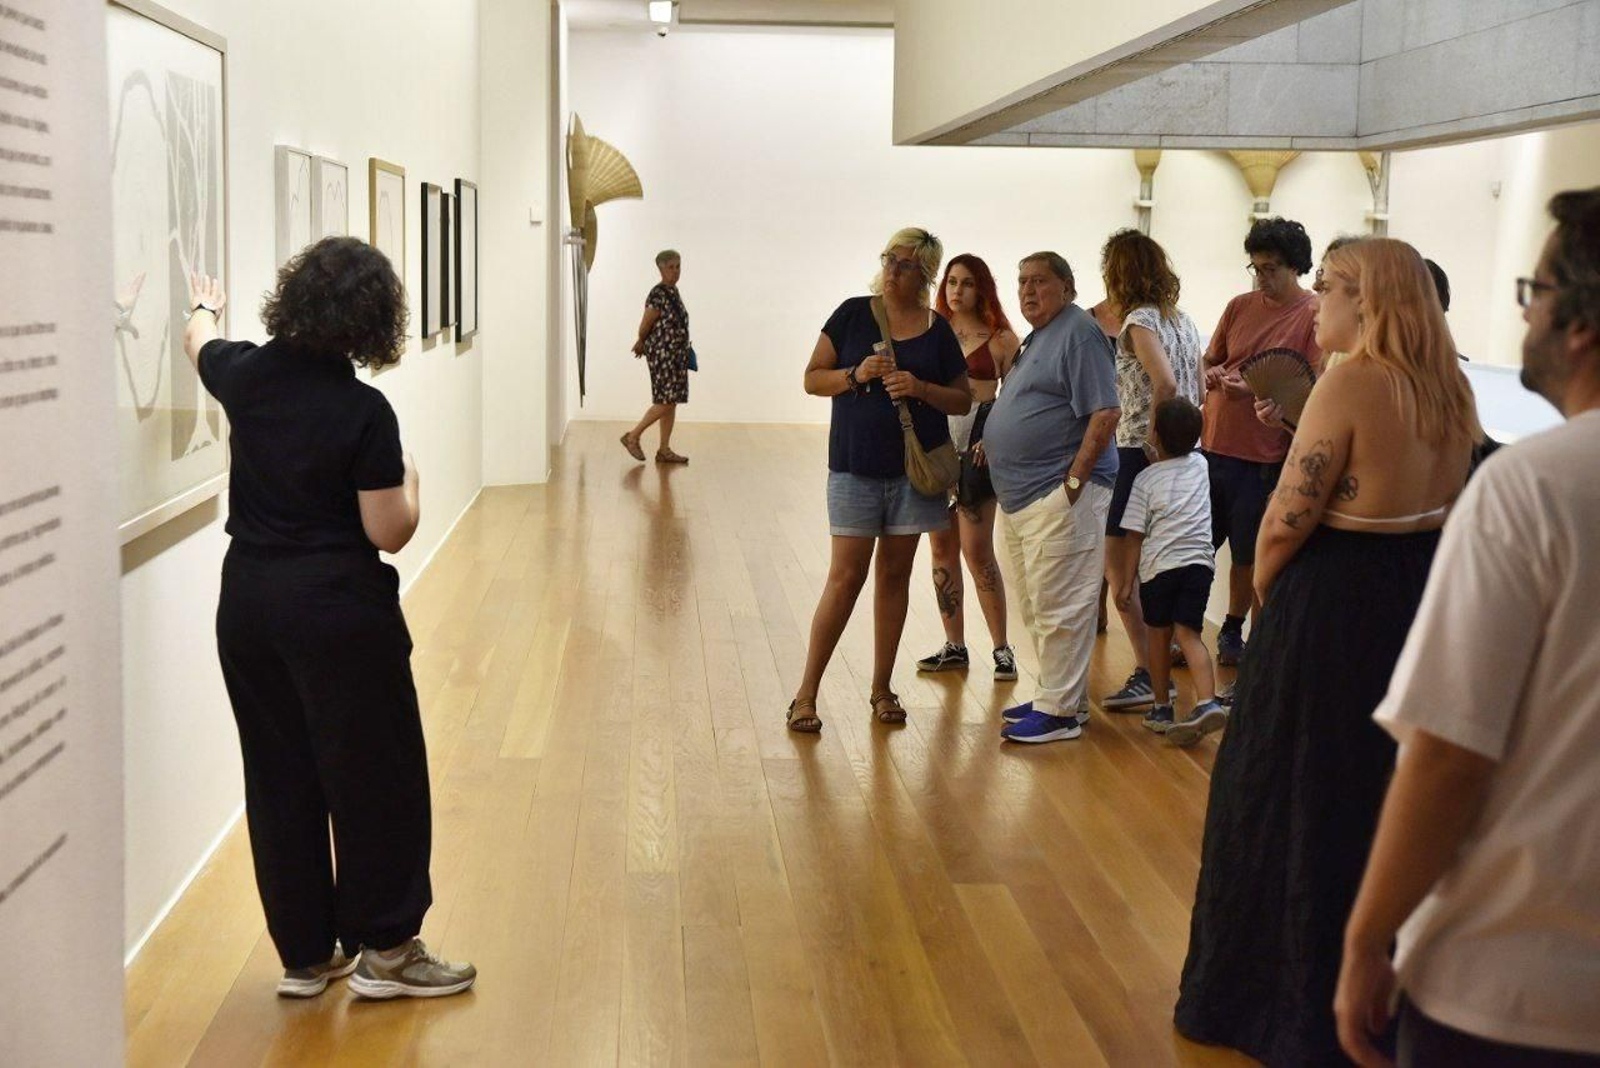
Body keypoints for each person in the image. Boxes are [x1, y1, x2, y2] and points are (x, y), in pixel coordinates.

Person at [1175, 238, 1482, 1064]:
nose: (1321, 303)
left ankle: (1277, 1004)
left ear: (1366, 299)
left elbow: (1288, 511)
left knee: (1289, 788)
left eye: (1331, 289)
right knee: (1377, 789)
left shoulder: (1351, 379)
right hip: (1414, 590)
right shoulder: (1449, 383)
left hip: (1335, 597)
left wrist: (1272, 585)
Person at [1336, 189, 1600, 1068]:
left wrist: (1368, 935)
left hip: (1516, 985)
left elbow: (1449, 751)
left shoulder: (1536, 486)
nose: (1524, 310)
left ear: (1580, 324)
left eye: (1536, 289)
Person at [183, 238, 475, 1001]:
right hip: (337, 613)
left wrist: (203, 309)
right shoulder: (362, 410)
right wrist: (410, 477)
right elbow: (389, 530)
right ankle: (386, 949)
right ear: (373, 319)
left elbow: (199, 345)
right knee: (376, 775)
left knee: (279, 775)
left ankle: (307, 955)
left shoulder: (243, 375)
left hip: (247, 604)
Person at [785, 228, 971, 732]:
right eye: (890, 258)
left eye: (906, 264)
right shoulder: (851, 313)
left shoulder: (937, 331)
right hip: (854, 468)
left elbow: (962, 399)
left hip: (913, 476)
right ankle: (805, 695)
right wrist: (856, 374)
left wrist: (920, 386)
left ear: (925, 274)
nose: (893, 270)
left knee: (894, 577)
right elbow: (811, 378)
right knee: (845, 579)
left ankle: (882, 689)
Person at [983, 253, 1121, 744]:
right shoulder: (1043, 335)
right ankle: (1060, 698)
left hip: (1059, 495)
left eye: (1039, 281)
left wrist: (1075, 483)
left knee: (1061, 603)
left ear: (1067, 287)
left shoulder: (1079, 333)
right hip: (1024, 497)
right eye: (1021, 281)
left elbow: (1105, 412)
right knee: (1039, 602)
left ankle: (1060, 712)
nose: (1027, 290)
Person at [1201, 217, 1322, 667]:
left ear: (1296, 267)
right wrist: (1211, 374)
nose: (1262, 278)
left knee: (1249, 552)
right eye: (1256, 268)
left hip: (1264, 454)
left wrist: (1251, 389)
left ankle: (1233, 627)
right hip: (1215, 444)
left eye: (1271, 269)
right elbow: (1211, 359)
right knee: (1200, 545)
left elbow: (1308, 386)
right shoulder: (1239, 305)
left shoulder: (1311, 315)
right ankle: (1189, 627)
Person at [1094, 229, 1204, 713]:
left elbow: (1167, 382)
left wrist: (1157, 440)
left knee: (1122, 581)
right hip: (1186, 454)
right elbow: (1199, 388)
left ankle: (1146, 670)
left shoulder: (1138, 321)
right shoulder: (1182, 320)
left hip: (1142, 454)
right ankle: (1160, 666)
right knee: (1162, 561)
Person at [915, 254, 1020, 681]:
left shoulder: (1001, 339)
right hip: (937, 449)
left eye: (968, 283)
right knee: (941, 550)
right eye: (952, 282)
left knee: (977, 552)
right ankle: (954, 645)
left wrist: (990, 439)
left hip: (977, 450)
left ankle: (1001, 648)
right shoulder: (929, 331)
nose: (957, 290)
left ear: (983, 289)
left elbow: (1015, 398)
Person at [1114, 398, 1221, 740]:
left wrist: (1126, 583)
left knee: (1158, 637)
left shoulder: (1145, 481)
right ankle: (1207, 702)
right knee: (1189, 634)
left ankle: (1161, 708)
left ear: (1155, 436)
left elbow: (1133, 537)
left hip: (1160, 568)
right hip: (1199, 565)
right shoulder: (1201, 466)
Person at [621, 249, 692, 465]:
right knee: (665, 401)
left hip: (676, 356)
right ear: (660, 269)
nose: (676, 271)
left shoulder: (673, 292)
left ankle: (664, 450)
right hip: (663, 356)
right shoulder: (658, 293)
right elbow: (646, 323)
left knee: (671, 401)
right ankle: (633, 436)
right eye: (671, 267)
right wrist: (641, 341)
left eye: (678, 266)